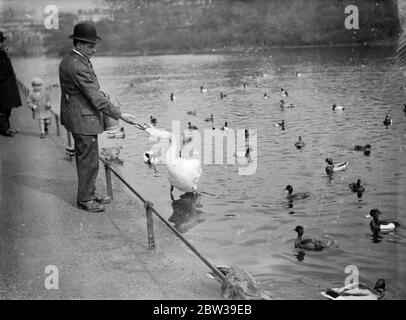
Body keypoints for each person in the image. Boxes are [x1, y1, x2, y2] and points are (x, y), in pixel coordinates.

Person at [59, 22, 138, 212]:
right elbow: (95, 97)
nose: (94, 49)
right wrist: (120, 115)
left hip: (76, 116)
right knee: (89, 160)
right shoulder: (78, 66)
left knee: (88, 158)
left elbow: (88, 91)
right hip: (83, 120)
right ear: (78, 45)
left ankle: (90, 192)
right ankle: (85, 198)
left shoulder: (70, 59)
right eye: (90, 45)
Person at [0, 31, 22, 137]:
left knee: (6, 108)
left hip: (7, 86)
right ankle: (4, 129)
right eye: (2, 41)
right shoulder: (1, 54)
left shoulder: (3, 53)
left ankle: (6, 128)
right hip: (3, 86)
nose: (3, 43)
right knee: (3, 109)